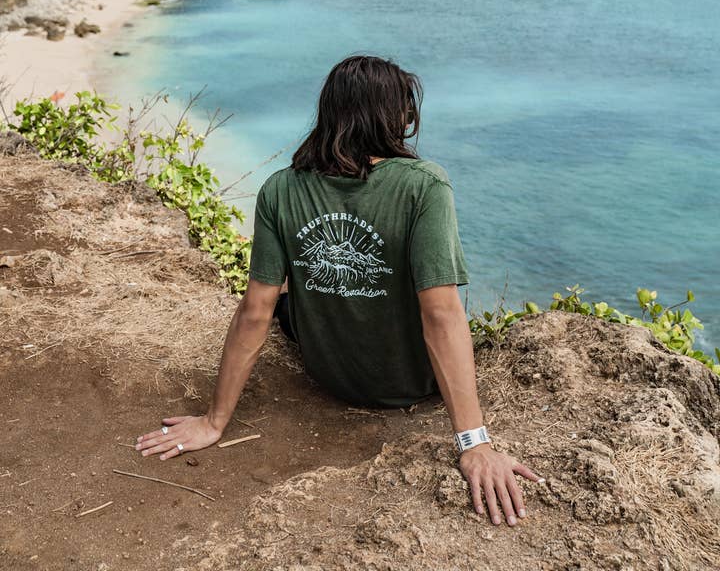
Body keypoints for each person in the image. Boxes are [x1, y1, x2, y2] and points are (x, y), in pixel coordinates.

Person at [136, 55, 541, 526]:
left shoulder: (280, 190)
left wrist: (213, 422)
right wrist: (475, 444)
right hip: (412, 383)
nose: (411, 120)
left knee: (285, 297)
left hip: (330, 375)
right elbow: (441, 314)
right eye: (408, 110)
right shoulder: (425, 185)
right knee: (434, 294)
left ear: (330, 113)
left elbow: (256, 309)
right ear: (397, 117)